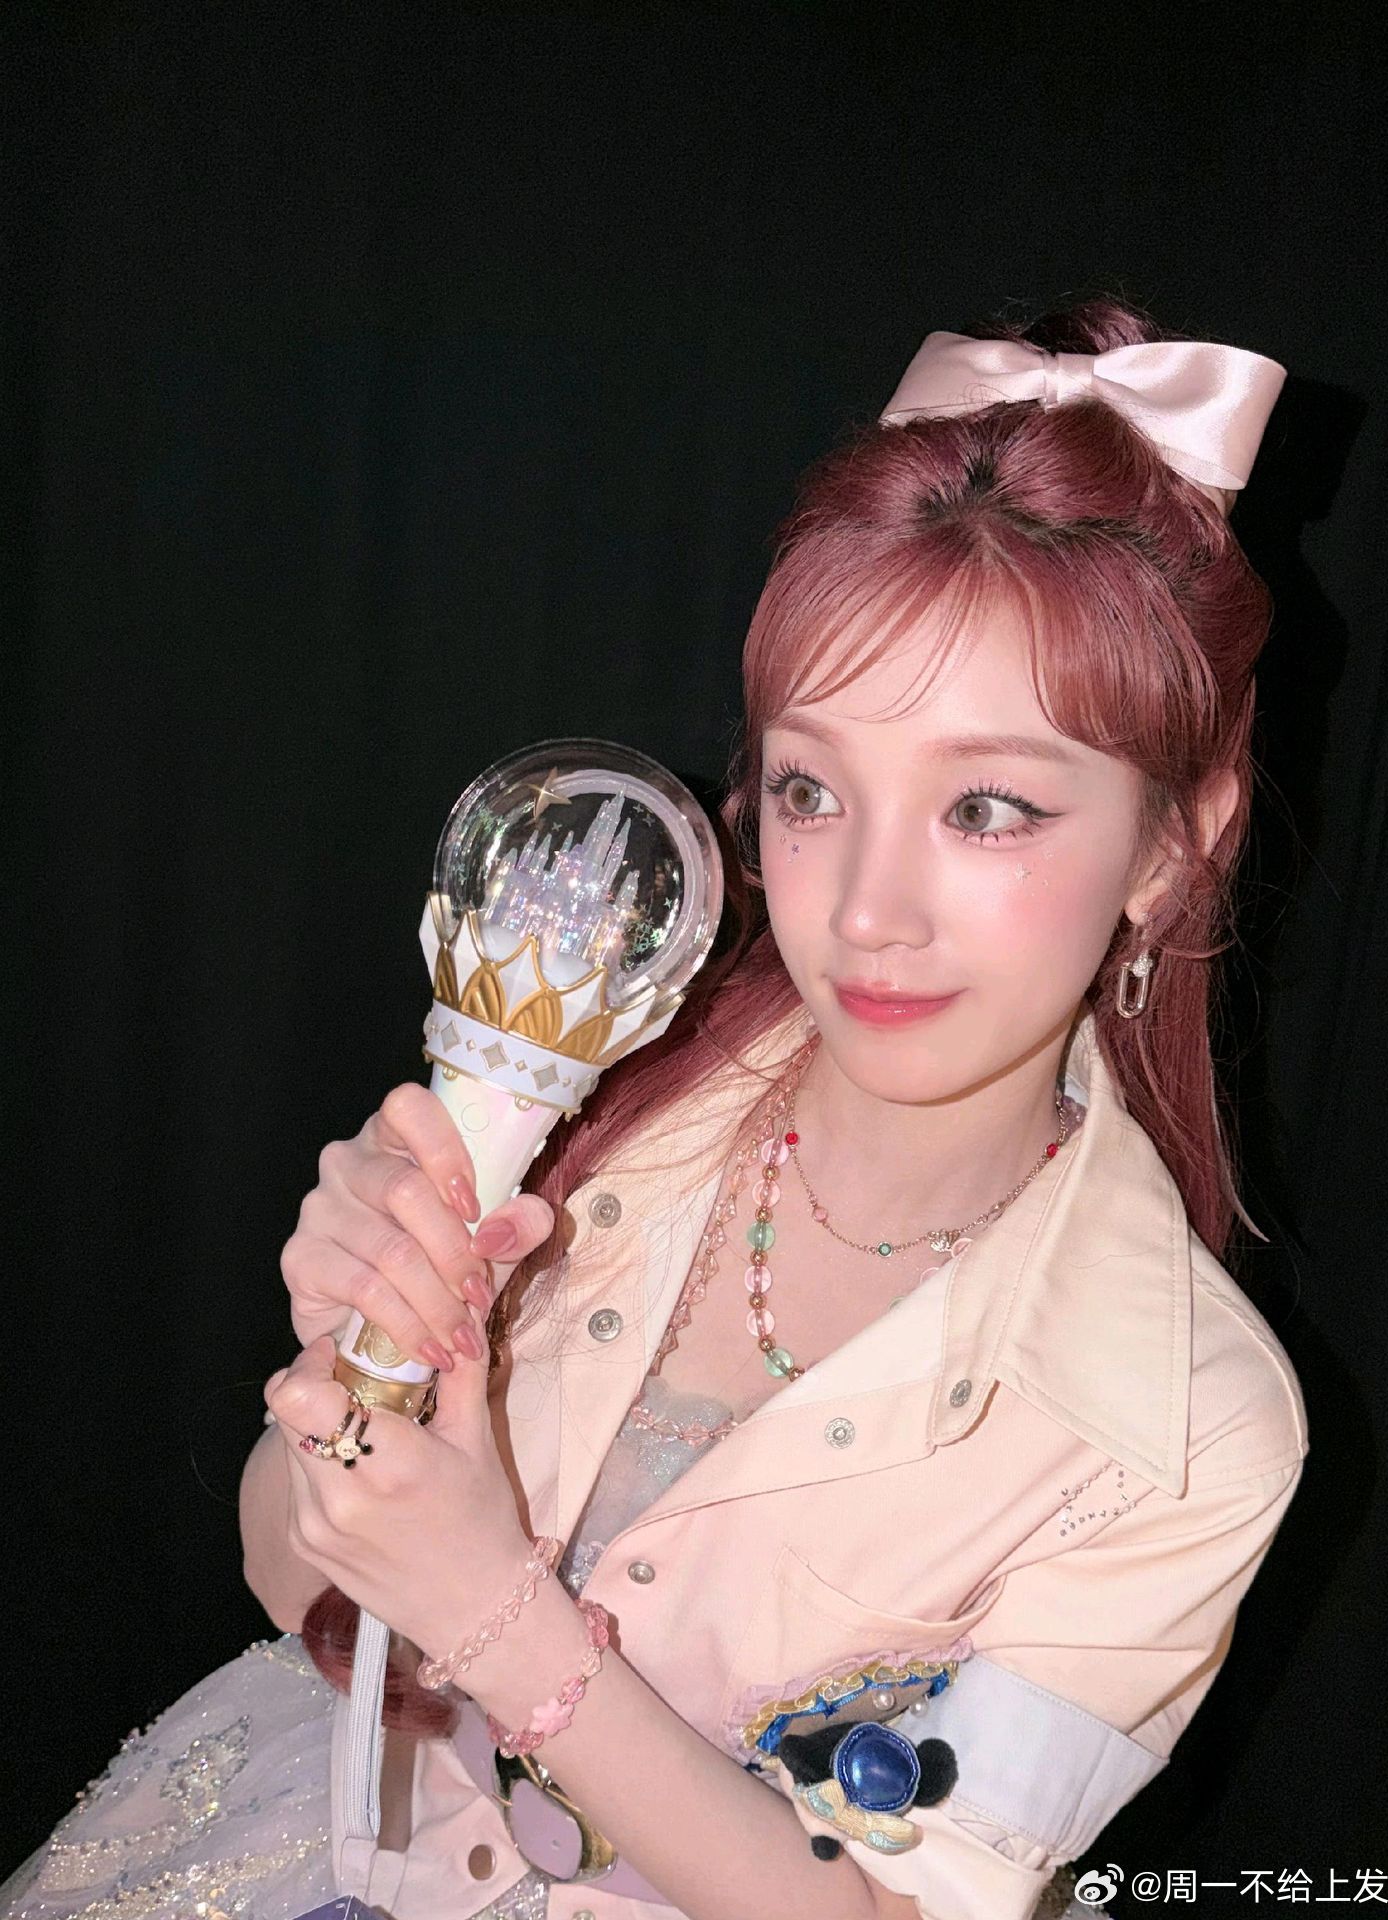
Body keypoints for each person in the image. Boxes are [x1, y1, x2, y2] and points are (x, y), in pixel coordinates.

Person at [0, 296, 1307, 1920]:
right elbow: (296, 1584)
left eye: (986, 809)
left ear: (1175, 842)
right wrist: (358, 1364)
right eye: (813, 790)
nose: (865, 910)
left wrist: (498, 1614)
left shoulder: (1184, 1421)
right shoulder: (602, 1068)